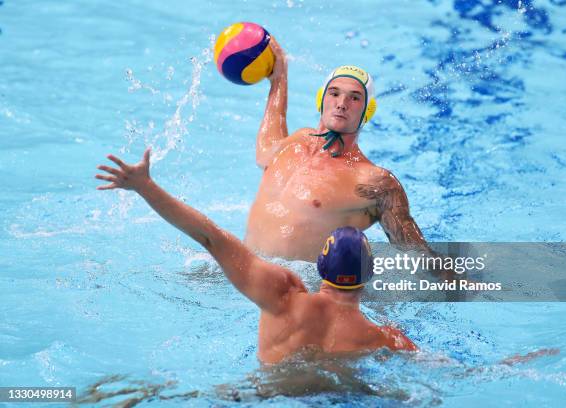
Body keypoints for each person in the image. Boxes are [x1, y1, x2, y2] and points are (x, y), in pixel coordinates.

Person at [95, 149, 417, 364]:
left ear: (320, 266)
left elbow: (210, 237)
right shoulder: (382, 338)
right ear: (368, 275)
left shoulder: (283, 296)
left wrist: (145, 186)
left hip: (264, 396)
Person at [245, 38, 437, 263]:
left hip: (295, 290)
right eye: (334, 93)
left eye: (354, 98)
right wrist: (279, 78)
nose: (342, 103)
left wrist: (455, 279)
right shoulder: (295, 143)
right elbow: (265, 150)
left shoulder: (375, 182)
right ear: (321, 99)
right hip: (243, 273)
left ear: (368, 111)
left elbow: (418, 254)